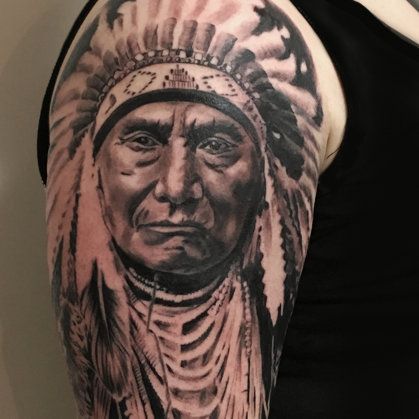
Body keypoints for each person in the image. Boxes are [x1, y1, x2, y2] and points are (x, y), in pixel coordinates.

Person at [38, 0, 419, 418]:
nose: (177, 187)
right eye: (144, 141)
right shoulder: (211, 11)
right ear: (93, 169)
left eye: (216, 145)